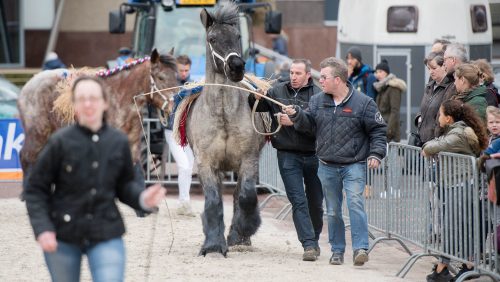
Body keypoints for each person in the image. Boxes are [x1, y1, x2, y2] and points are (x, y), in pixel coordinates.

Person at [24, 76, 166, 281]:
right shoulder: (59, 143)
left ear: (105, 102)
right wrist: (43, 229)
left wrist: (143, 199)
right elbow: (35, 189)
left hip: (106, 232)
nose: (88, 104)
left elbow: (125, 186)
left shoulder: (118, 142)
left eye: (93, 98)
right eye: (81, 99)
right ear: (74, 104)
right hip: (62, 234)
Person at [285, 57, 387, 266]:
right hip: (327, 165)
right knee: (332, 210)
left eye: (324, 77)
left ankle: (360, 248)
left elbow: (378, 130)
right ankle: (337, 250)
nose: (320, 81)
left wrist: (376, 154)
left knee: (355, 204)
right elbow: (308, 126)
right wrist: (297, 116)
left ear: (338, 80)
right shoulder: (317, 101)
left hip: (354, 164)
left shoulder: (364, 103)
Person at [248, 59, 323, 261]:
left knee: (315, 203)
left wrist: (295, 121)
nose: (293, 76)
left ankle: (314, 239)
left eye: (298, 73)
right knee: (298, 200)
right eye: (291, 72)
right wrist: (254, 97)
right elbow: (260, 108)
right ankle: (308, 245)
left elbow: (318, 126)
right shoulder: (277, 91)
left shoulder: (318, 96)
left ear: (308, 74)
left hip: (314, 155)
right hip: (287, 154)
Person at [422, 100, 488, 282]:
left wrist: (430, 147)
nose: (438, 118)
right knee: (459, 227)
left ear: (449, 118)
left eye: (440, 114)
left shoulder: (458, 134)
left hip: (460, 185)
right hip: (458, 184)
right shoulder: (456, 131)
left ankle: (442, 268)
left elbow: (431, 146)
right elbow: (437, 142)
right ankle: (467, 265)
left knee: (452, 228)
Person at [165, 54, 196, 216]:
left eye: (186, 70)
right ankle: (184, 202)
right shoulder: (169, 84)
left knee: (188, 168)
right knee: (184, 166)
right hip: (172, 131)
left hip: (188, 132)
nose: (183, 73)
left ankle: (184, 201)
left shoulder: (194, 84)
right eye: (181, 70)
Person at [415, 52, 452, 145]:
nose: (431, 71)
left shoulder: (450, 87)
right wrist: (419, 119)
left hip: (436, 141)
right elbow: (422, 108)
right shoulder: (429, 86)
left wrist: (436, 137)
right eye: (429, 69)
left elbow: (444, 115)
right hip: (422, 138)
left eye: (434, 68)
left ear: (444, 66)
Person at [373, 59, 406, 142]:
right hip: (381, 130)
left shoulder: (393, 87)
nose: (378, 74)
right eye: (376, 72)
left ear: (386, 73)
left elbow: (395, 111)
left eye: (380, 71)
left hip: (391, 134)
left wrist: (388, 130)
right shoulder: (381, 88)